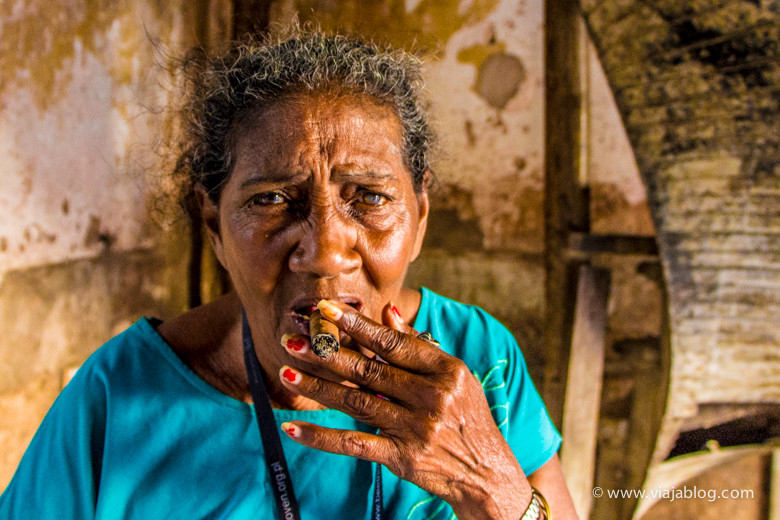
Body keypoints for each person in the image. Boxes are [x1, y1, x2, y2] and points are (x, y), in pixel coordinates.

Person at [0, 27, 577, 520]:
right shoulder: (117, 399)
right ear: (213, 227)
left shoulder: (481, 360)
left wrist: (494, 490)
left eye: (370, 197)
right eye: (274, 199)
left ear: (420, 218)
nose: (325, 253)